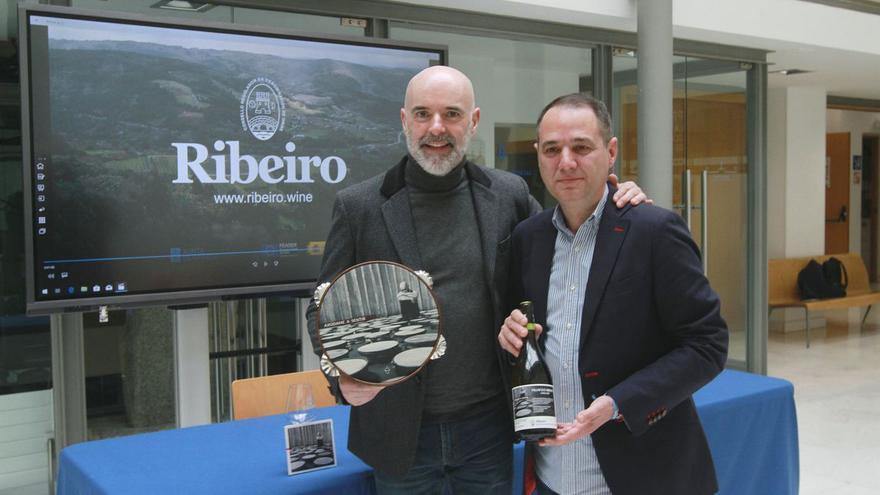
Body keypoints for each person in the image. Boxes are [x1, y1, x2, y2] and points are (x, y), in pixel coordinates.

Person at [307, 67, 648, 494]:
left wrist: (615, 196)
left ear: (473, 121)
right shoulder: (359, 206)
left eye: (451, 114)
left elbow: (567, 235)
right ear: (403, 120)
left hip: (487, 427)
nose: (436, 128)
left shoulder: (508, 195)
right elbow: (322, 308)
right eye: (422, 114)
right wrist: (340, 378)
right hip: (398, 431)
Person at [498, 93, 728, 495]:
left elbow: (707, 345)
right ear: (538, 155)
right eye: (552, 149)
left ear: (611, 151)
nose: (565, 161)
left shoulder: (655, 232)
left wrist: (617, 403)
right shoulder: (527, 238)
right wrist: (510, 334)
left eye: (581, 147)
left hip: (641, 475)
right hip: (551, 476)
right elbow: (523, 335)